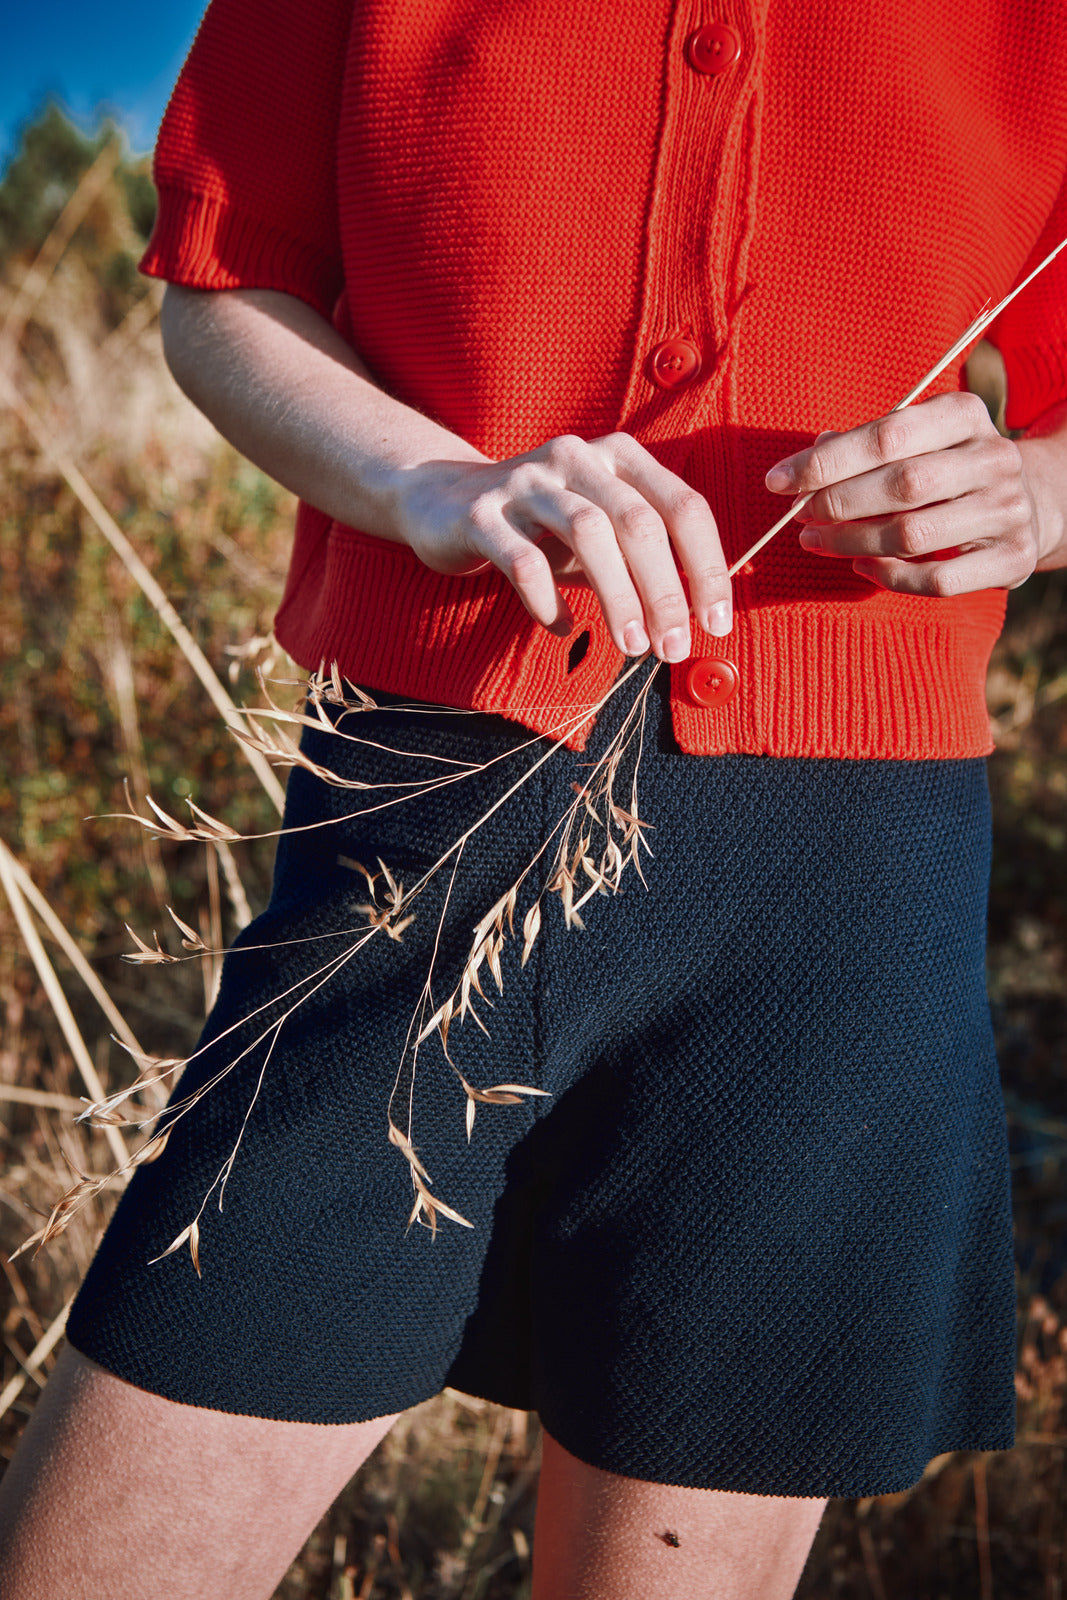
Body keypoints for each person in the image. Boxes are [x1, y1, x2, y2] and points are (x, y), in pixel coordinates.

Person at [2, 2, 1067, 1596]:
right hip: (423, 824)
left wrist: (1036, 490)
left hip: (845, 886)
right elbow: (229, 282)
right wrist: (427, 480)